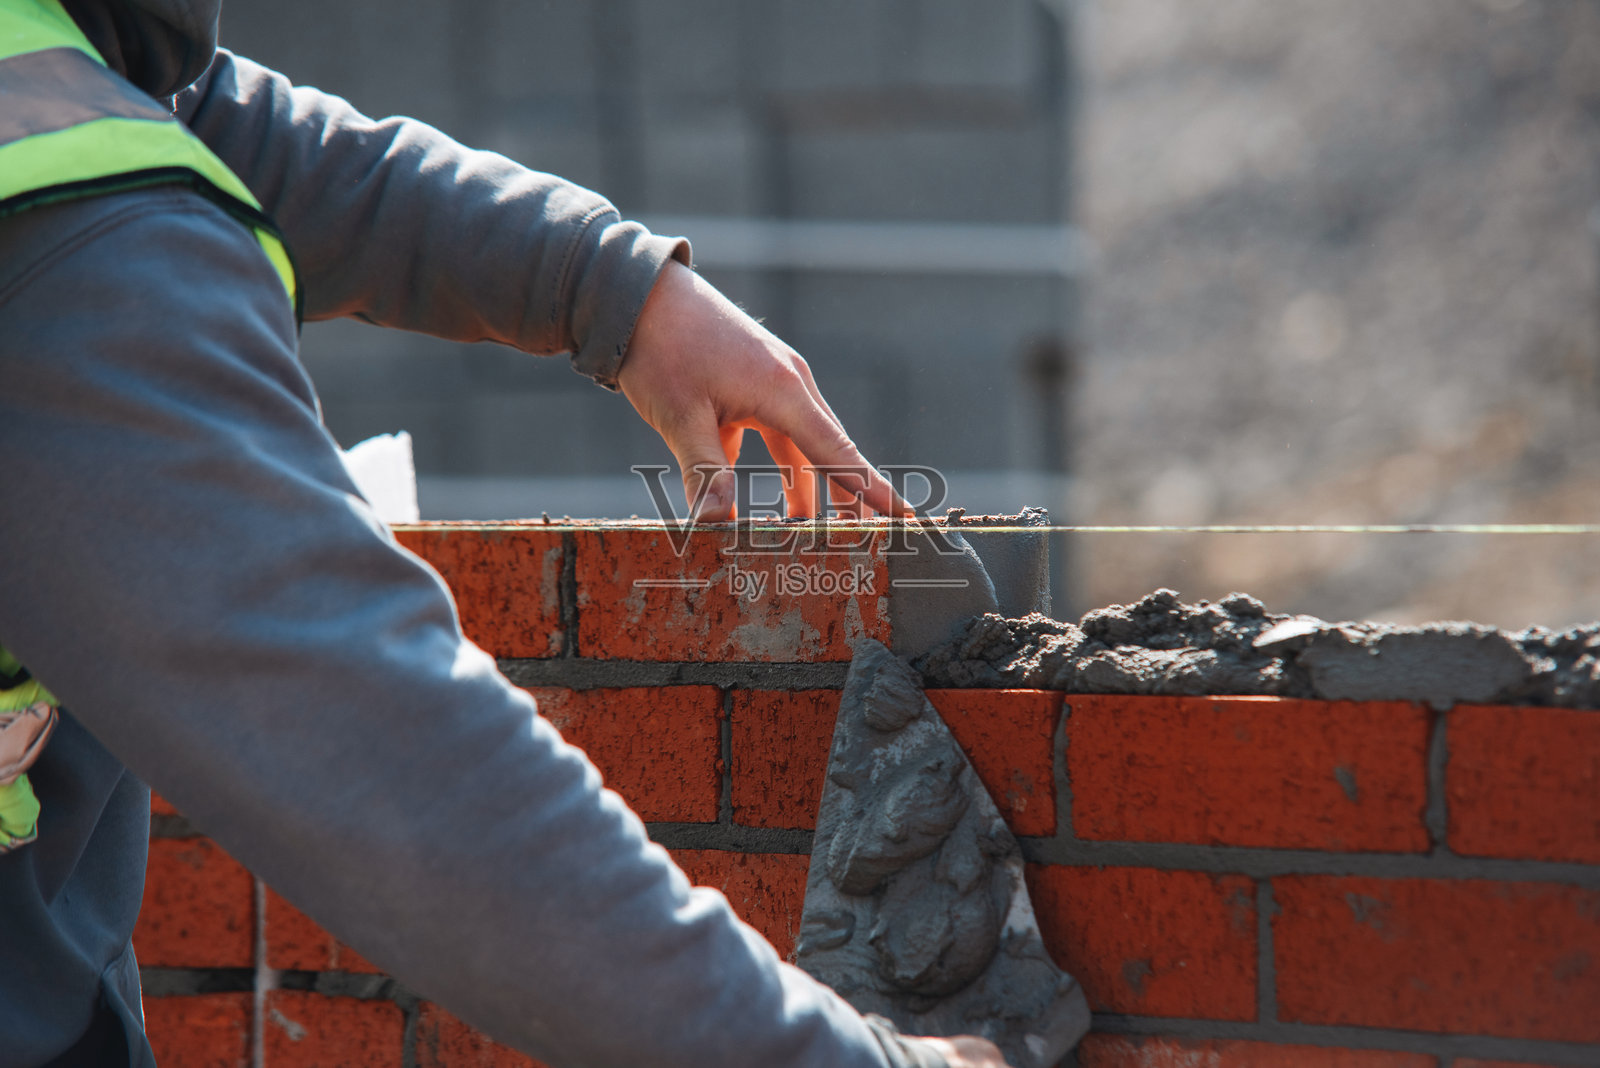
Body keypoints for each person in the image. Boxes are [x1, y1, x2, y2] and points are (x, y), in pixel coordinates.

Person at [0, 0, 1013, 1065]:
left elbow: (225, 127)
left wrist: (617, 289)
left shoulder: (56, 95)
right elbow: (375, 738)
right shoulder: (71, 240)